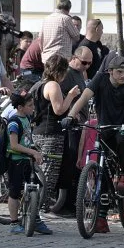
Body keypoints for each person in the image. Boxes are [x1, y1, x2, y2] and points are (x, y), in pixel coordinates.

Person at [66, 56, 124, 232]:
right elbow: (84, 98)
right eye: (120, 72)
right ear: (110, 71)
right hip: (104, 129)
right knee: (103, 173)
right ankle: (100, 217)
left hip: (122, 127)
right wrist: (70, 116)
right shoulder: (100, 80)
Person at [29, 54, 80, 211]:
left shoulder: (37, 85)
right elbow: (58, 110)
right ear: (61, 71)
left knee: (39, 172)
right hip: (51, 134)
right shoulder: (53, 85)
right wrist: (71, 96)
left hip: (37, 132)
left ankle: (32, 209)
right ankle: (36, 212)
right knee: (48, 174)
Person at [3, 91, 52, 235]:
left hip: (26, 161)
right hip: (16, 162)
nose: (33, 108)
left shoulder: (27, 119)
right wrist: (32, 152)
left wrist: (34, 149)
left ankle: (35, 219)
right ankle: (14, 222)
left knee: (37, 186)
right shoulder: (14, 122)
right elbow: (14, 145)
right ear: (20, 107)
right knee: (14, 192)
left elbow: (26, 140)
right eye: (30, 105)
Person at [40, 0, 78, 66]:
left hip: (46, 58)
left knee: (48, 76)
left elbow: (40, 38)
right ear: (69, 9)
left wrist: (43, 52)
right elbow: (76, 37)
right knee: (59, 76)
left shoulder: (47, 18)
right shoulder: (66, 18)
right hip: (60, 58)